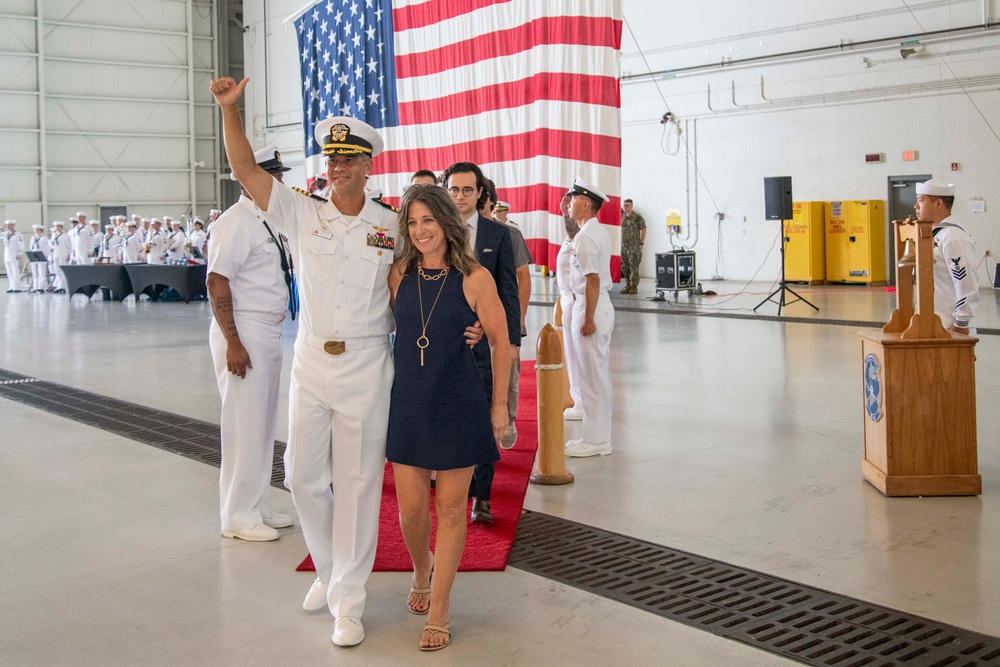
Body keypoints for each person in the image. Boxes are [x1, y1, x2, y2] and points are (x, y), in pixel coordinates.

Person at [209, 76, 483, 648]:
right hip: (311, 357)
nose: (336, 167)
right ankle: (332, 569)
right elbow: (246, 173)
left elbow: (437, 267)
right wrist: (231, 113)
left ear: (367, 165)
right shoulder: (301, 213)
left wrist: (471, 318)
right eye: (331, 158)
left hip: (365, 362)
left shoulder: (390, 226)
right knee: (304, 478)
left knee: (358, 486)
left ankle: (349, 603)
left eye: (348, 158)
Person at [386, 184, 510, 652]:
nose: (420, 231)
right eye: (412, 222)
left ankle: (440, 609)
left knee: (452, 508)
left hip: (458, 401)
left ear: (447, 222)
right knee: (413, 508)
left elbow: (502, 343)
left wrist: (498, 407)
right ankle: (422, 568)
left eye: (428, 221)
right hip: (409, 402)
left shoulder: (475, 277)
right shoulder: (399, 273)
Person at [208, 141, 295, 543]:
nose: (278, 181)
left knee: (260, 423)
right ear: (250, 178)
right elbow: (216, 279)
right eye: (272, 175)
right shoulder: (236, 221)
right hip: (243, 329)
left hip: (266, 329)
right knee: (243, 424)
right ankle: (237, 515)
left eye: (278, 175)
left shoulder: (267, 218)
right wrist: (233, 342)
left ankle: (256, 504)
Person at [442, 162, 520, 524]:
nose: (460, 197)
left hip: (484, 346)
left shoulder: (497, 235)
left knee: (487, 417)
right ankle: (450, 489)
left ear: (480, 194)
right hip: (442, 342)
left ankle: (482, 497)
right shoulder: (432, 232)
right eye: (454, 190)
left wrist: (506, 339)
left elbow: (508, 293)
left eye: (467, 190)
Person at [564, 178, 615, 458]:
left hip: (590, 305)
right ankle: (597, 436)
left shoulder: (586, 236)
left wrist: (588, 319)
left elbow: (592, 279)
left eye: (573, 200)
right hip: (595, 305)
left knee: (591, 379)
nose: (569, 203)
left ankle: (596, 441)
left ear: (585, 204)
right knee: (596, 376)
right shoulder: (594, 231)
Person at [914, 178, 980, 334]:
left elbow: (967, 283)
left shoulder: (953, 237)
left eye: (920, 200)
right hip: (932, 325)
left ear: (938, 204)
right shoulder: (936, 234)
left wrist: (961, 323)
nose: (915, 206)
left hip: (950, 328)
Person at [493, 200, 532, 449]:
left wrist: (518, 322)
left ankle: (509, 419)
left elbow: (523, 277)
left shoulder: (510, 234)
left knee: (509, 375)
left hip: (506, 316)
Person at [556, 195, 584, 421]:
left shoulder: (581, 237)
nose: (568, 207)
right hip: (568, 299)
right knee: (573, 356)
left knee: (579, 356)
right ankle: (579, 401)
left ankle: (583, 403)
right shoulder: (572, 238)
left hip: (576, 301)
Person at [620, 198, 646, 294]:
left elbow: (643, 229)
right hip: (624, 246)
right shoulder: (622, 216)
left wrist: (641, 242)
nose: (625, 207)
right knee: (625, 267)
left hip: (633, 246)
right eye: (624, 205)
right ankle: (628, 285)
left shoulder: (637, 217)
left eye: (627, 205)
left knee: (633, 266)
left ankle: (634, 286)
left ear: (631, 206)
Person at [49, 221, 71, 293]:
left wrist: (68, 254)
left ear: (61, 227)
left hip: (63, 254)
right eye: (56, 226)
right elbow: (52, 244)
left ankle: (63, 287)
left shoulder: (65, 235)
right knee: (57, 272)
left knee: (63, 272)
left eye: (59, 226)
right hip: (56, 255)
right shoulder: (54, 235)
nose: (57, 228)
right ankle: (59, 287)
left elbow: (68, 245)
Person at [4, 220, 26, 292]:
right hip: (7, 255)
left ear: (13, 225)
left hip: (14, 254)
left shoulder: (18, 234)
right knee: (9, 271)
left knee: (15, 271)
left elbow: (22, 245)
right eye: (7, 225)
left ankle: (17, 287)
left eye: (9, 225)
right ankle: (11, 287)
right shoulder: (6, 233)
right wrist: (2, 227)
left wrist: (19, 254)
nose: (7, 226)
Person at [28, 224, 50, 293]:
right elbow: (31, 247)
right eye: (35, 230)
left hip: (42, 256)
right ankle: (36, 287)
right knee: (35, 273)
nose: (36, 231)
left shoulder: (44, 238)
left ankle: (41, 288)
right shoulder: (32, 238)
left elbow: (47, 248)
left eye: (37, 229)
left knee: (41, 272)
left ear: (41, 230)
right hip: (34, 256)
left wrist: (46, 256)